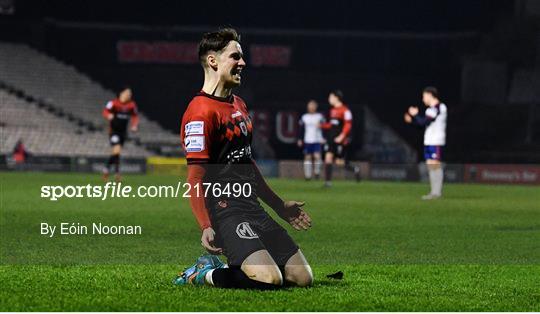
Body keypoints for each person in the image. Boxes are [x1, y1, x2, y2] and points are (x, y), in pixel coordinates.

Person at [174, 28, 313, 289]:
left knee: (303, 278)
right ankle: (204, 273)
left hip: (252, 206)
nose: (243, 63)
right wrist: (205, 224)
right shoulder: (199, 113)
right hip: (226, 210)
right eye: (235, 57)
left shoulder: (239, 104)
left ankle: (236, 264)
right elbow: (195, 178)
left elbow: (247, 163)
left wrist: (279, 205)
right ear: (213, 61)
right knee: (269, 279)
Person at [404, 86, 447, 200]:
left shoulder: (439, 107)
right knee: (430, 165)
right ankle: (434, 192)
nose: (423, 99)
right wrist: (412, 121)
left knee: (435, 165)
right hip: (429, 141)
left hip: (436, 141)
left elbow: (424, 121)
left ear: (429, 94)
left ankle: (437, 192)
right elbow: (422, 124)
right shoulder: (430, 110)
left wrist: (415, 115)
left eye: (424, 96)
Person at [320, 90, 359, 187]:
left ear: (336, 98)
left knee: (338, 161)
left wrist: (342, 136)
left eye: (330, 97)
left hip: (339, 139)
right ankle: (328, 182)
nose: (329, 99)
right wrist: (322, 125)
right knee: (328, 158)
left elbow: (348, 124)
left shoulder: (345, 110)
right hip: (331, 138)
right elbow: (332, 125)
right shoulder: (332, 110)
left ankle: (355, 169)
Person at [101, 87, 139, 181]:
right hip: (113, 131)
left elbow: (135, 116)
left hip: (123, 132)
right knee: (117, 150)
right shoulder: (113, 103)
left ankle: (106, 170)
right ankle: (117, 174)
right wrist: (108, 115)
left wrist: (134, 125)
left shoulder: (132, 105)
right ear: (121, 93)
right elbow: (105, 111)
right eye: (127, 93)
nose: (129, 95)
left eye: (130, 93)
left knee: (115, 153)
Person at [297, 100, 325, 180]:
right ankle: (308, 176)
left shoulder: (320, 116)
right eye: (310, 106)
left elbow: (325, 128)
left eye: (313, 106)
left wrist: (324, 138)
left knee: (317, 156)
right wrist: (299, 139)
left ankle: (317, 172)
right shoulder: (304, 117)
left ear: (316, 107)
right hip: (308, 140)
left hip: (317, 139)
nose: (311, 107)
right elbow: (301, 129)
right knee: (307, 157)